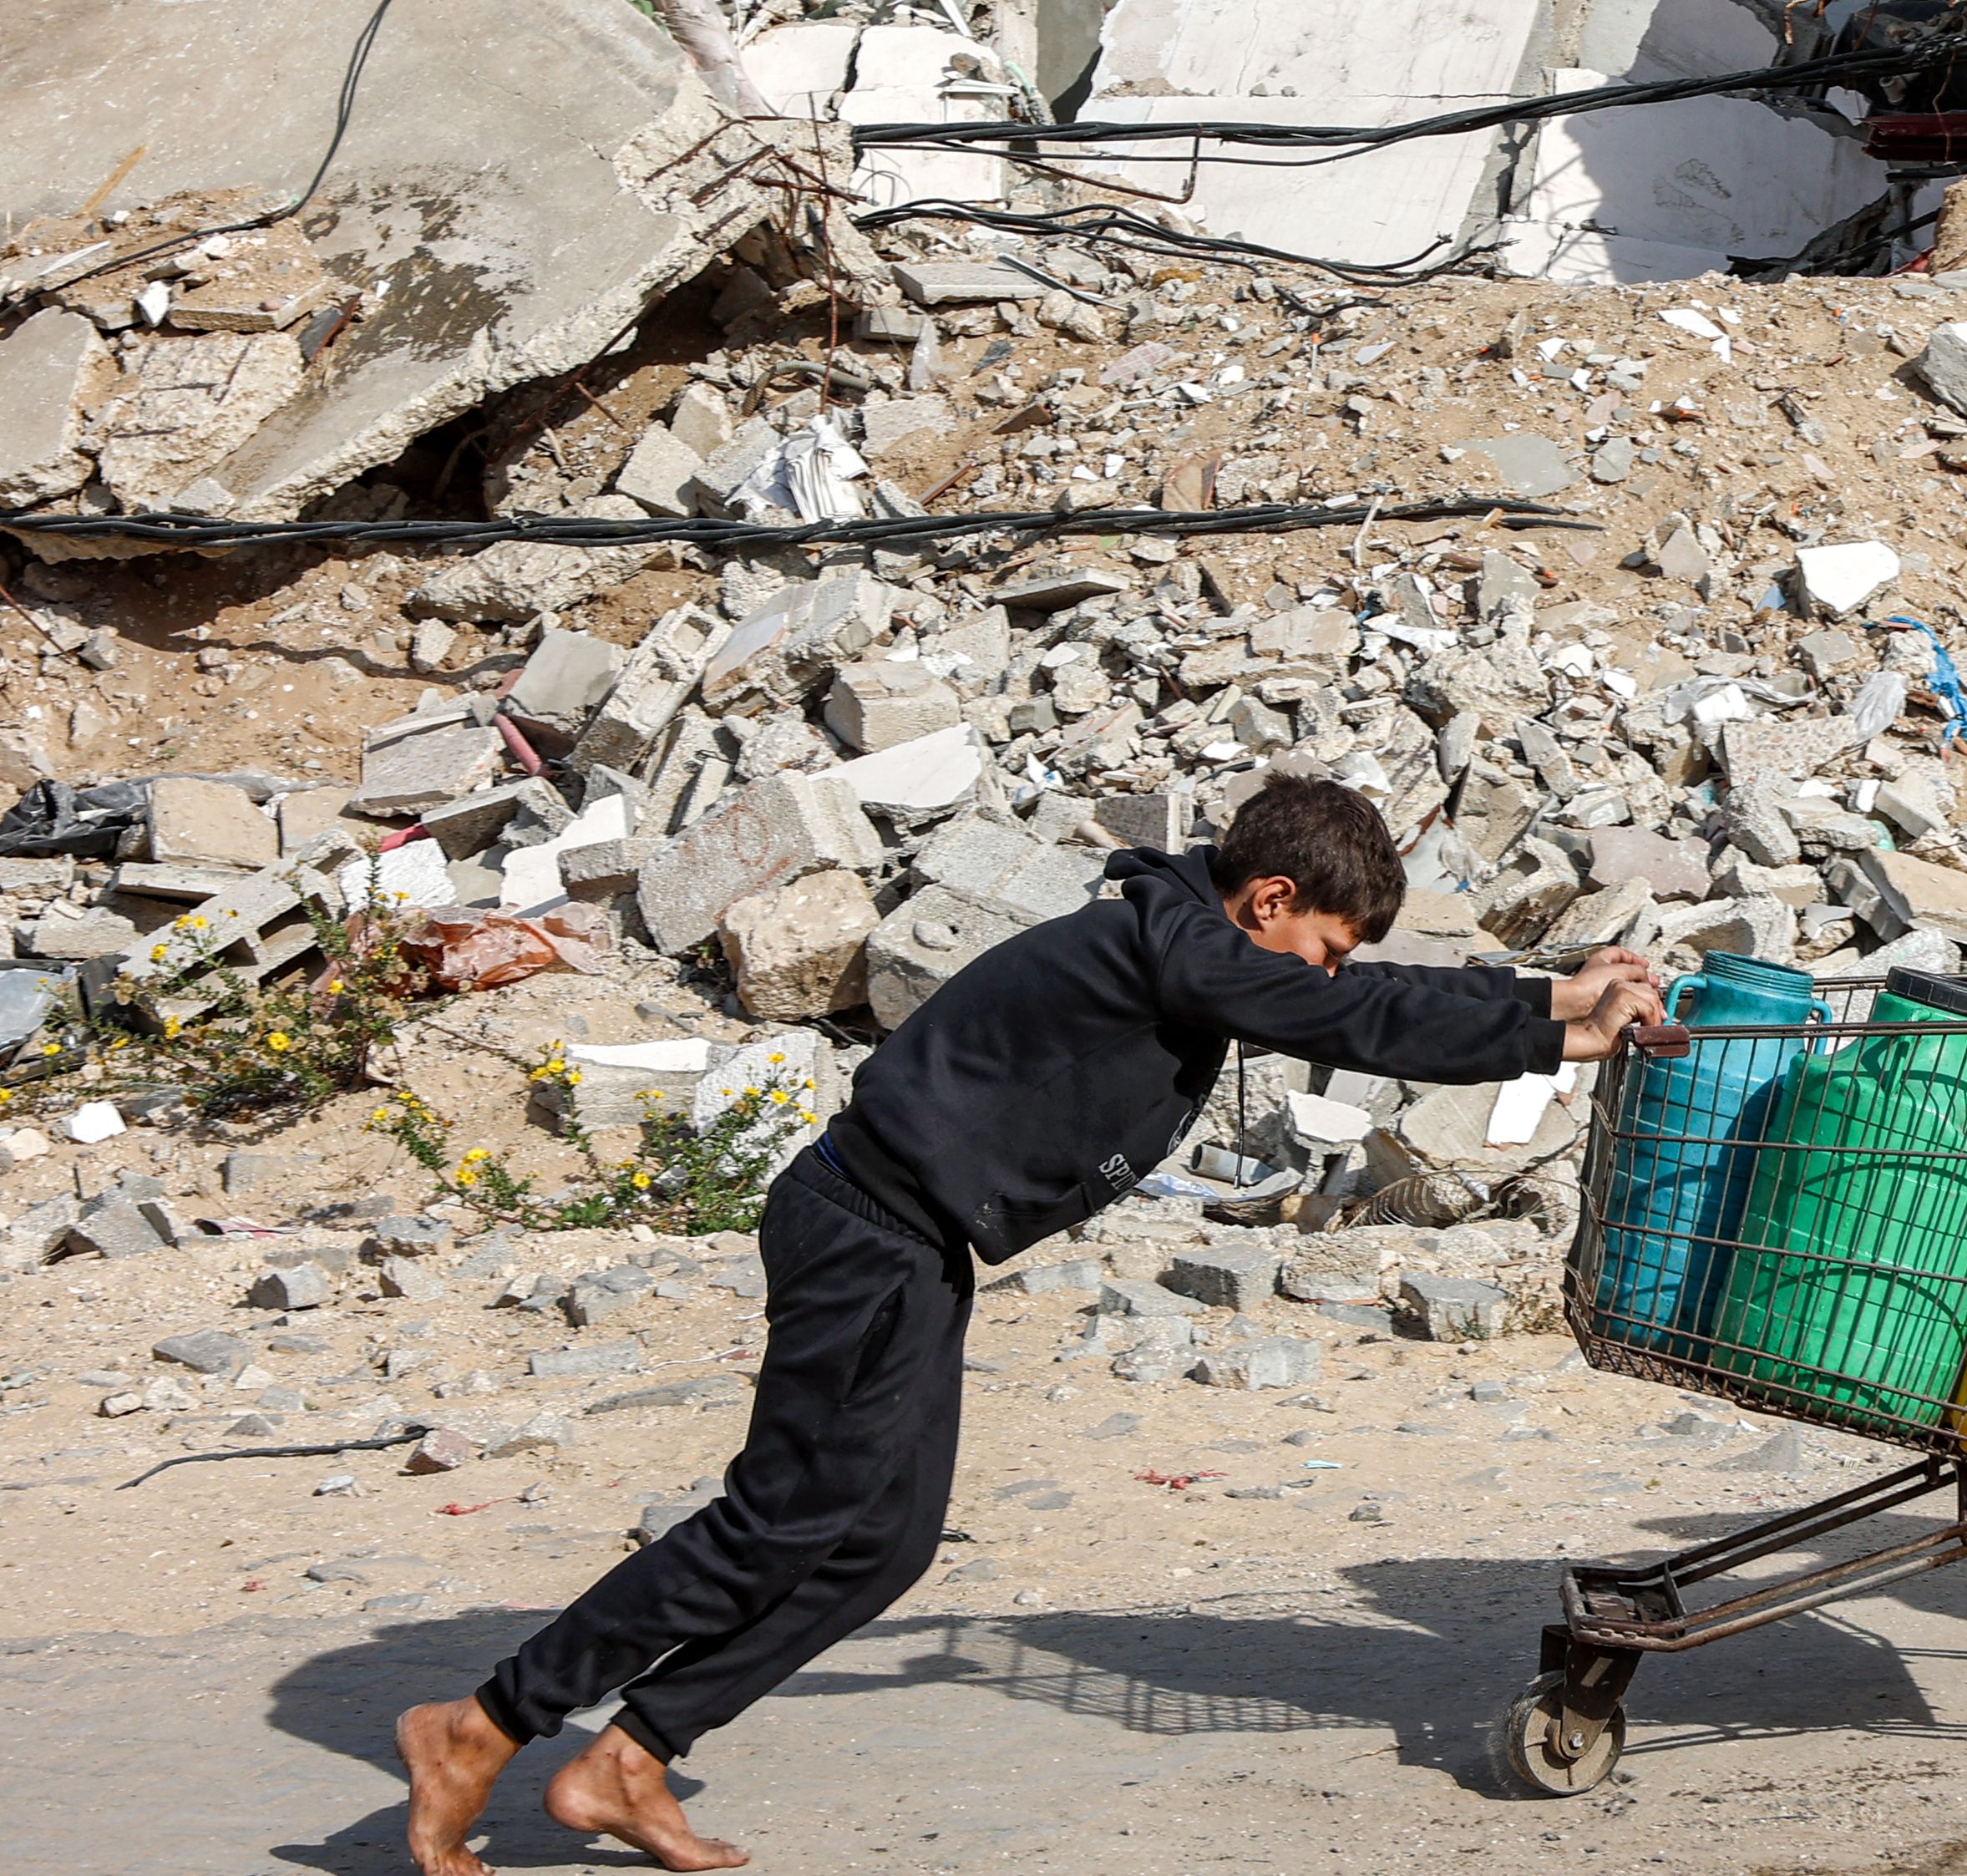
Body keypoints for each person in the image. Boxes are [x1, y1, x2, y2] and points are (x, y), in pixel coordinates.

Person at [393, 775, 1664, 1873]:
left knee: (879, 1544)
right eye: (1319, 943)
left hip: (909, 1242)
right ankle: (488, 1720)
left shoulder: (1184, 940)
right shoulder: (1169, 944)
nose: (1322, 973)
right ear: (1267, 899)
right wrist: (1559, 1039)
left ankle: (631, 1754)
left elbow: (1358, 990)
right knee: (779, 1521)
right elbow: (1350, 1012)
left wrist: (1553, 996)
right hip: (865, 1232)